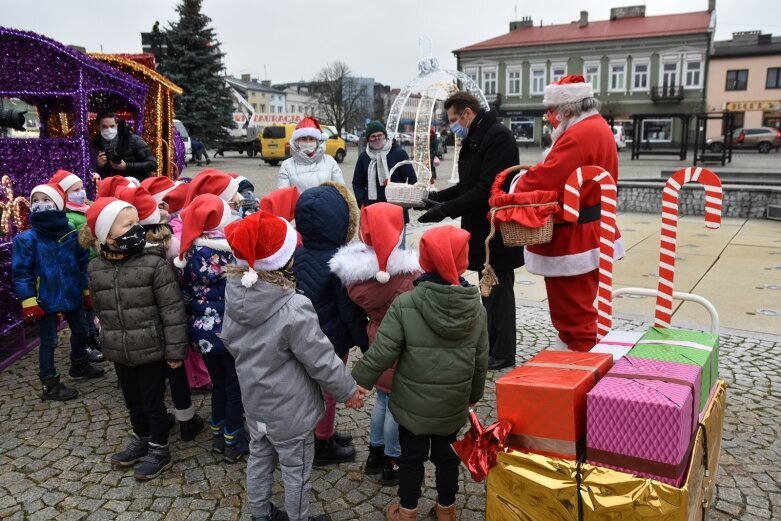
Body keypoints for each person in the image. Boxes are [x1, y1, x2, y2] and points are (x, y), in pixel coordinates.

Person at [222, 210, 366, 521]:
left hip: (256, 402)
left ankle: (259, 513)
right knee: (296, 469)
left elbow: (230, 340)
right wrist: (348, 390)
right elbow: (321, 359)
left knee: (259, 457)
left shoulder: (234, 293)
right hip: (291, 411)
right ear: (283, 260)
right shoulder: (293, 307)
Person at [351, 226, 488, 521]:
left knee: (411, 460)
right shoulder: (476, 309)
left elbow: (383, 351)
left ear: (424, 260)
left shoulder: (406, 303)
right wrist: (473, 398)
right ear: (463, 261)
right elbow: (480, 361)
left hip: (411, 405)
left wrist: (357, 384)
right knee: (447, 458)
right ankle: (446, 510)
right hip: (452, 404)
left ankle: (408, 511)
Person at [512, 75, 623, 351]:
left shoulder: (579, 134)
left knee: (574, 318)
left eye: (552, 110)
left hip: (575, 237)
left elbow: (549, 177)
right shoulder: (596, 128)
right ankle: (575, 366)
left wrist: (515, 185)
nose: (551, 117)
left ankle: (582, 377)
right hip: (591, 230)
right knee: (579, 311)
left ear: (568, 109)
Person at [80, 197, 187, 480]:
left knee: (153, 401)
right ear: (107, 235)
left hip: (151, 349)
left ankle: (159, 448)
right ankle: (141, 438)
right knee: (132, 401)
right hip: (119, 350)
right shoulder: (95, 269)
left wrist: (175, 351)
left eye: (137, 223)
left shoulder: (154, 265)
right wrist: (106, 341)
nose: (137, 229)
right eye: (127, 225)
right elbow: (101, 312)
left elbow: (173, 310)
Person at [419, 92, 523, 371]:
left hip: (497, 231)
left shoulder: (496, 137)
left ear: (467, 113)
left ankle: (503, 352)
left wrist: (443, 211)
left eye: (454, 119)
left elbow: (486, 190)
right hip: (483, 230)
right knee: (488, 291)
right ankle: (491, 345)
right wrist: (436, 197)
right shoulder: (478, 136)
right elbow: (468, 186)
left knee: (499, 292)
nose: (452, 125)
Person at [329, 202, 421, 487]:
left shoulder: (356, 276)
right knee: (395, 404)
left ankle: (375, 453)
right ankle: (393, 461)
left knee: (381, 400)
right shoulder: (407, 275)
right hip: (400, 344)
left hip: (375, 337)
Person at [116, 185, 204, 442]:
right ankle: (186, 420)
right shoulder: (166, 240)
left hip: (139, 323)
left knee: (148, 377)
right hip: (168, 315)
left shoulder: (120, 247)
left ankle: (153, 419)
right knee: (175, 369)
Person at [293, 183, 369, 466]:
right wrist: (364, 341)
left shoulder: (296, 255)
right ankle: (321, 443)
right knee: (328, 393)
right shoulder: (339, 263)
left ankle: (323, 433)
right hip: (333, 343)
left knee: (311, 388)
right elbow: (347, 311)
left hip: (303, 338)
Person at [173, 194, 249, 462]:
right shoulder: (232, 250)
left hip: (201, 331)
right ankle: (234, 438)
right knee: (234, 385)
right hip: (230, 329)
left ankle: (217, 434)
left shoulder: (189, 252)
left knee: (218, 383)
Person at [12, 184, 105, 401]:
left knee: (81, 331)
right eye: (36, 200)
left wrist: (86, 291)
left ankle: (79, 363)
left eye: (46, 200)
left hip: (72, 293)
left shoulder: (71, 234)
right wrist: (28, 300)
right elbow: (21, 272)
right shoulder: (26, 240)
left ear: (58, 204)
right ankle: (49, 382)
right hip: (44, 297)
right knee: (49, 340)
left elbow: (82, 264)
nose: (40, 205)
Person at [48, 169, 104, 363]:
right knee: (86, 308)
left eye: (81, 188)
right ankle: (87, 342)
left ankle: (94, 338)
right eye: (75, 190)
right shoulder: (67, 216)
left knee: (93, 306)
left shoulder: (86, 208)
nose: (81, 192)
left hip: (95, 262)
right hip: (83, 266)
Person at [278, 116, 345, 192]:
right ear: (297, 142)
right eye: (303, 139)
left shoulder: (330, 162)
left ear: (317, 141)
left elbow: (341, 192)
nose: (308, 142)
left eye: (311, 139)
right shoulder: (287, 165)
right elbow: (284, 196)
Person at [93, 111, 157, 181]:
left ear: (117, 125)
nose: (109, 130)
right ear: (98, 127)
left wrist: (126, 166)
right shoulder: (97, 145)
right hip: (114, 187)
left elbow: (152, 164)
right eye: (104, 127)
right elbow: (98, 176)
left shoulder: (133, 140)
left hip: (138, 185)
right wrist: (100, 166)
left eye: (112, 126)